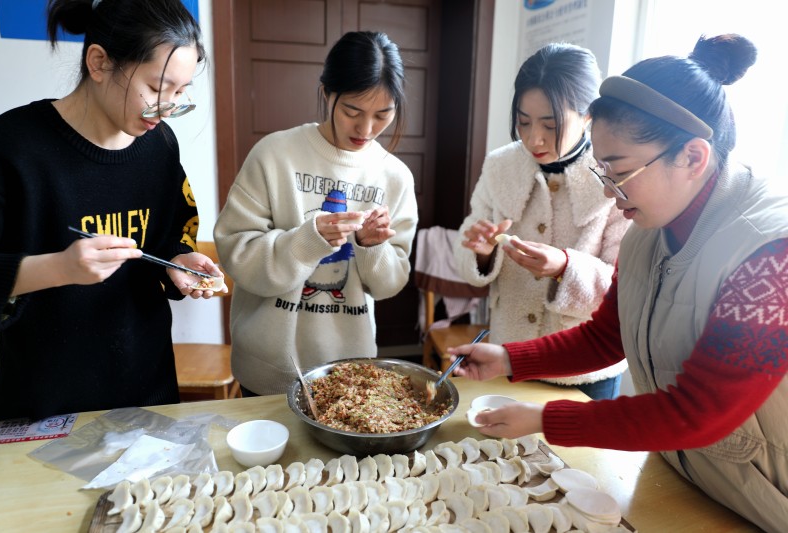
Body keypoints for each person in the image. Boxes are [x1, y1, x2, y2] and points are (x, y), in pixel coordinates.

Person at [450, 34, 788, 532]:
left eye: (620, 171)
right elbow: (608, 336)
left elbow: (699, 412)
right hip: (686, 476)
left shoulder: (771, 254)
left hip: (766, 498)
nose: (609, 191)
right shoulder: (647, 229)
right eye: (601, 170)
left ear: (693, 157)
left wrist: (545, 419)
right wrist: (508, 358)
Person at [0, 0, 224, 423]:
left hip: (146, 389)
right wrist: (60, 268)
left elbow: (171, 234)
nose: (167, 108)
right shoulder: (10, 146)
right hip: (43, 401)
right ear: (99, 62)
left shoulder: (159, 146)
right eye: (157, 88)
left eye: (180, 92)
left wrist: (178, 261)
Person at [214, 31, 418, 396]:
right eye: (352, 111)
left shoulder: (395, 177)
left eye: (383, 115)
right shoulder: (275, 154)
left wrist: (372, 247)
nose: (366, 129)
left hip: (350, 371)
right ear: (326, 93)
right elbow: (236, 253)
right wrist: (308, 240)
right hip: (267, 368)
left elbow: (389, 284)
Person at [453, 43, 630, 400]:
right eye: (523, 122)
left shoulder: (615, 174)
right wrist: (482, 253)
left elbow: (625, 288)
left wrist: (566, 268)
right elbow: (467, 250)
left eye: (551, 124)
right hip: (508, 358)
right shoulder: (500, 165)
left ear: (587, 115)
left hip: (584, 370)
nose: (534, 138)